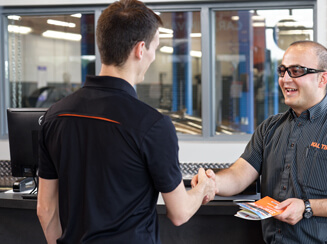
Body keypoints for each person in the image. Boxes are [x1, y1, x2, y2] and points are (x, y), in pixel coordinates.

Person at [36, 1, 216, 243]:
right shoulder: (153, 125)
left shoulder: (55, 116)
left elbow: (46, 209)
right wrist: (203, 187)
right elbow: (180, 212)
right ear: (141, 49)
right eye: (155, 48)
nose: (153, 56)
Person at [192, 40, 327, 243]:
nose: (285, 79)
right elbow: (240, 174)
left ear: (322, 79)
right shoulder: (270, 128)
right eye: (282, 71)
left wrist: (307, 207)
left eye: (296, 71)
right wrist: (213, 183)